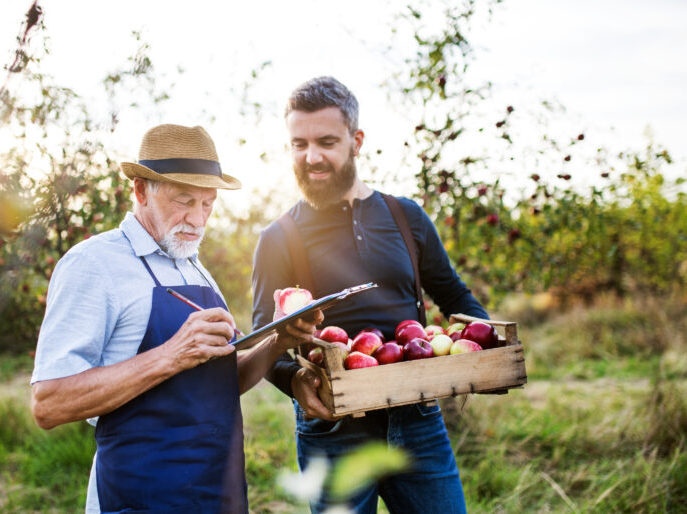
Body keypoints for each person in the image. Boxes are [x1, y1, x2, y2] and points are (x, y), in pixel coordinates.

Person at [31, 123, 321, 514]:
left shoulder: (195, 269)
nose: (198, 220)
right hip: (139, 498)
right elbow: (49, 403)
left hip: (218, 495)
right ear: (140, 190)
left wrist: (278, 343)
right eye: (184, 200)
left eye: (207, 204)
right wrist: (170, 355)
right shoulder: (93, 265)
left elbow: (221, 382)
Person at [251, 76, 489, 513]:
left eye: (326, 141)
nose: (312, 156)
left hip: (416, 417)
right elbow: (263, 336)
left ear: (356, 140)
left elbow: (454, 296)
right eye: (298, 144)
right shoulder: (279, 237)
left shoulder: (406, 217)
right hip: (333, 424)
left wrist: (489, 341)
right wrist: (294, 380)